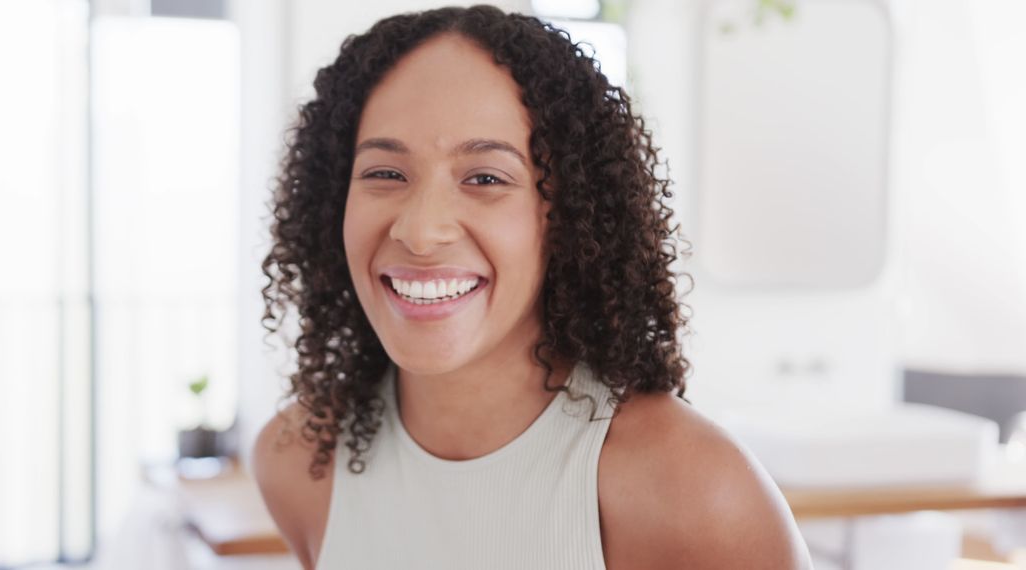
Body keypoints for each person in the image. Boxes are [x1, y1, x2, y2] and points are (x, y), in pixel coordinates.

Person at [252, 5, 813, 569]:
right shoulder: (299, 462)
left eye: (486, 178)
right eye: (385, 174)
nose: (420, 232)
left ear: (569, 215)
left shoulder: (693, 494)